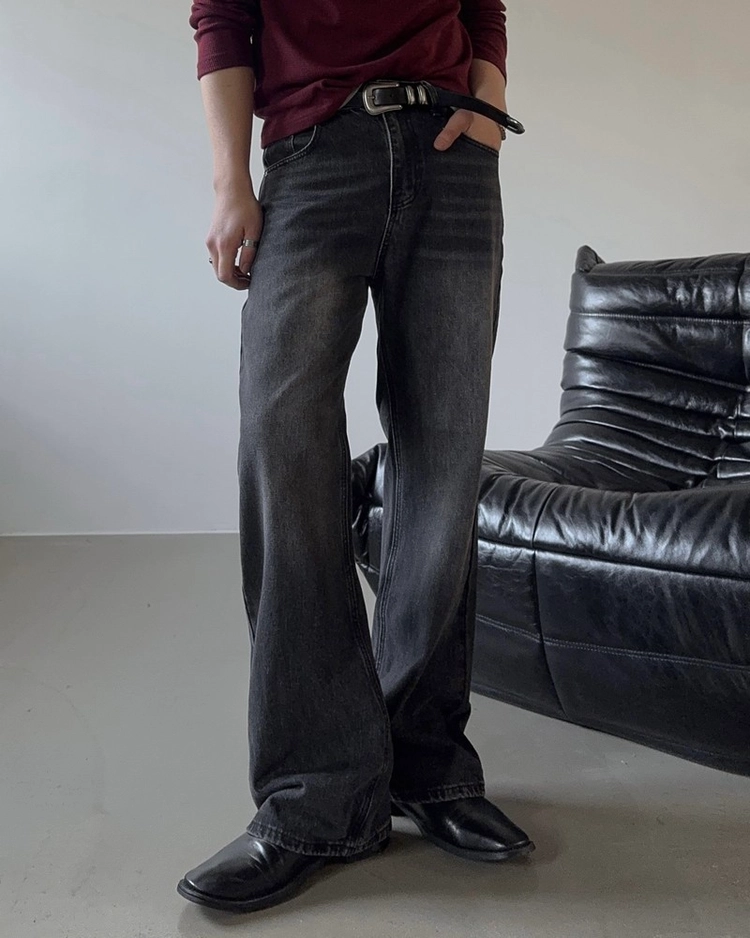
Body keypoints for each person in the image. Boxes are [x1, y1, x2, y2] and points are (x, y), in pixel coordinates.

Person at [178, 0, 535, 915]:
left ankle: (425, 762)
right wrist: (230, 182)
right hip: (313, 157)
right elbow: (221, 18)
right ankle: (315, 795)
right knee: (285, 453)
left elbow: (482, 7)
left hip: (452, 154)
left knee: (442, 462)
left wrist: (487, 102)